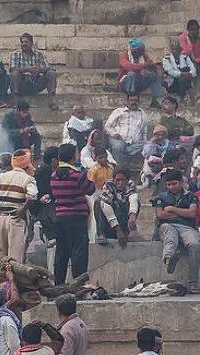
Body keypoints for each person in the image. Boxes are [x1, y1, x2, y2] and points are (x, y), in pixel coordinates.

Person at [0, 149, 38, 261]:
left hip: (1, 220)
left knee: (1, 257)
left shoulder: (1, 177)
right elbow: (33, 195)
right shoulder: (28, 179)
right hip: (16, 220)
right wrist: (23, 209)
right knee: (15, 258)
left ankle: (2, 278)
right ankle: (13, 278)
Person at [50, 144, 96, 282]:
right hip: (77, 218)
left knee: (61, 253)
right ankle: (79, 284)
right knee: (79, 252)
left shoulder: (53, 176)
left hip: (60, 217)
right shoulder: (77, 175)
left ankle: (59, 284)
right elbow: (90, 189)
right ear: (73, 157)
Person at [155, 169, 200, 293]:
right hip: (167, 225)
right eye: (168, 184)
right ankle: (169, 259)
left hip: (187, 227)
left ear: (181, 182)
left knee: (195, 244)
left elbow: (192, 213)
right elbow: (160, 215)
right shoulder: (162, 197)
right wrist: (182, 213)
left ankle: (193, 283)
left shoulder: (191, 196)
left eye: (174, 184)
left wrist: (171, 209)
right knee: (170, 237)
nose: (171, 187)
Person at [94, 168, 140, 247]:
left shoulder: (131, 184)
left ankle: (127, 231)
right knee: (99, 202)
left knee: (137, 203)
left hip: (122, 216)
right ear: (114, 179)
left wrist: (132, 217)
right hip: (110, 220)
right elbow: (106, 206)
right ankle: (102, 233)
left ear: (127, 180)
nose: (120, 183)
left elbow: (133, 199)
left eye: (123, 180)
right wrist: (118, 230)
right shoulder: (109, 185)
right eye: (118, 180)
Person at [9, 33, 57, 108]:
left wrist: (39, 70)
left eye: (26, 42)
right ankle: (16, 102)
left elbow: (47, 68)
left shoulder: (39, 54)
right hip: (22, 84)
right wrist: (26, 69)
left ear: (31, 43)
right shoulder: (15, 54)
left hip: (35, 82)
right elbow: (12, 69)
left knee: (51, 73)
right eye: (22, 42)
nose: (24, 44)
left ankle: (51, 101)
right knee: (14, 74)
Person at [118, 37, 162, 107]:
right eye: (140, 51)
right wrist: (144, 65)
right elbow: (128, 67)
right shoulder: (124, 55)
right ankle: (131, 98)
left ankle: (154, 99)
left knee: (155, 74)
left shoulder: (144, 56)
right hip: (125, 83)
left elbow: (148, 67)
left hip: (139, 82)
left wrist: (155, 68)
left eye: (142, 50)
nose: (142, 52)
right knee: (132, 74)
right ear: (134, 51)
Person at [105, 94, 148, 160]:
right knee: (118, 146)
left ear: (139, 102)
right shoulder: (118, 111)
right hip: (119, 139)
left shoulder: (143, 114)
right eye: (131, 100)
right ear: (127, 101)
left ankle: (124, 150)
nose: (133, 102)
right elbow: (107, 126)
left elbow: (144, 132)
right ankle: (118, 168)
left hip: (135, 144)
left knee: (148, 144)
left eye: (135, 100)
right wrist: (114, 134)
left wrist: (144, 142)